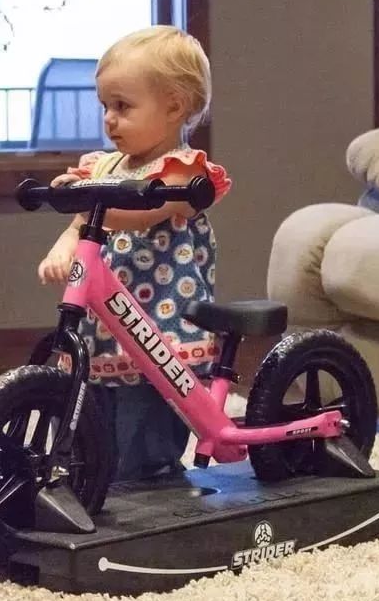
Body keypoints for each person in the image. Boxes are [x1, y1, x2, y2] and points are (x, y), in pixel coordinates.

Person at [36, 25, 232, 482]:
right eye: (105, 106)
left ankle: (152, 479)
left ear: (174, 107)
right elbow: (80, 225)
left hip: (160, 321)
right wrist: (65, 242)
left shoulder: (184, 171)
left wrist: (83, 202)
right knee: (94, 399)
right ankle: (90, 474)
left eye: (122, 106)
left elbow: (144, 214)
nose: (109, 119)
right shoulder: (103, 166)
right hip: (106, 321)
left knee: (144, 416)